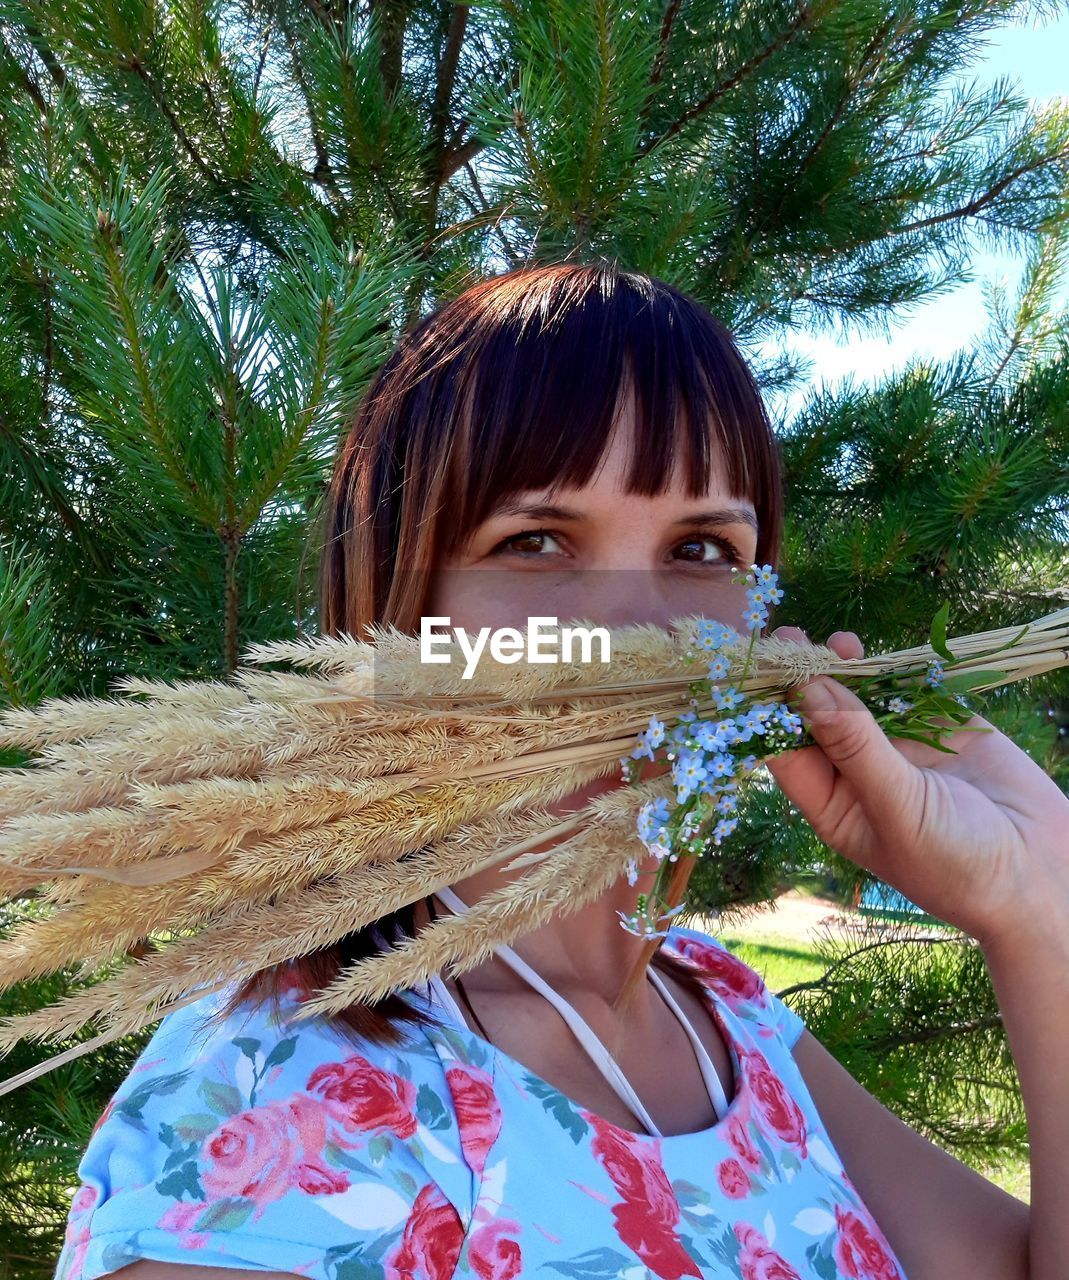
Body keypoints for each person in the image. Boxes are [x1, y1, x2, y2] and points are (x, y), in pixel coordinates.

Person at [53, 263, 1064, 1280]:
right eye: (534, 540)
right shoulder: (270, 1103)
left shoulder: (729, 1016)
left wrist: (1034, 906)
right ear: (400, 616)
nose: (634, 625)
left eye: (704, 548)